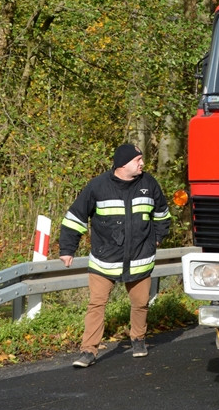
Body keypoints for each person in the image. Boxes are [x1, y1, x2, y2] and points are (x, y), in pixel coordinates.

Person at [60, 143, 172, 367]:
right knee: (96, 304)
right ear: (123, 164)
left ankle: (138, 339)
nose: (142, 163)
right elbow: (75, 218)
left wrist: (157, 239)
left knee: (140, 303)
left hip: (140, 259)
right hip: (104, 260)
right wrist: (67, 249)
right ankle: (88, 351)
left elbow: (162, 214)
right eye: (137, 160)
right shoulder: (98, 186)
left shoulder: (149, 184)